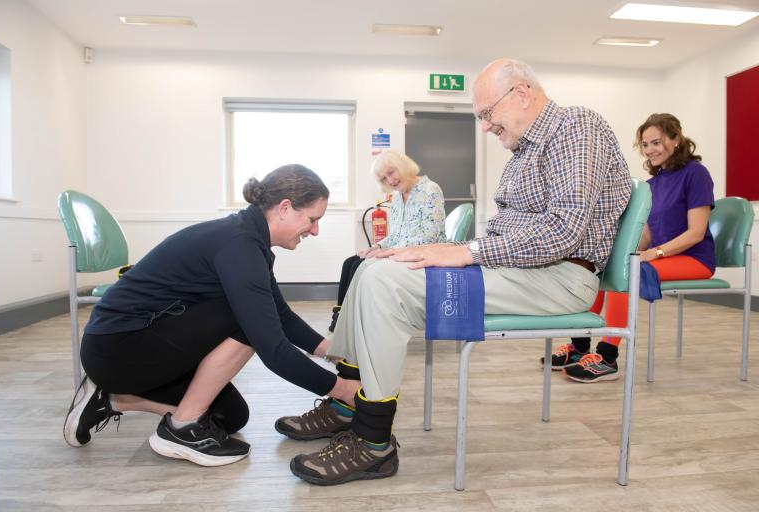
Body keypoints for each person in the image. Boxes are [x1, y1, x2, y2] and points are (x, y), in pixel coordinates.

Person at [274, 58, 632, 486]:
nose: (484, 127)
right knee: (372, 268)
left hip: (560, 278)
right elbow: (509, 236)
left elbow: (563, 232)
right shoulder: (524, 151)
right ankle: (348, 400)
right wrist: (443, 249)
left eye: (486, 114)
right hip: (527, 270)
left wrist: (468, 252)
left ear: (520, 94)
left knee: (384, 284)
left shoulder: (576, 128)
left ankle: (373, 442)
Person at [63, 164, 360, 467]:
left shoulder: (249, 240)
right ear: (285, 208)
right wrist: (346, 391)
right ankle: (181, 427)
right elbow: (273, 349)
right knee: (247, 317)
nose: (315, 230)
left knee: (230, 417)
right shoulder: (239, 245)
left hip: (136, 346)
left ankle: (109, 399)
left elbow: (280, 314)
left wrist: (332, 352)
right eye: (312, 219)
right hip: (117, 348)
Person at [549, 113, 715, 383]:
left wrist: (652, 254)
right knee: (606, 269)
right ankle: (580, 348)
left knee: (629, 273)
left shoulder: (696, 174)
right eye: (645, 144)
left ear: (675, 140)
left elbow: (696, 233)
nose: (650, 150)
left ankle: (607, 357)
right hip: (660, 256)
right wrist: (620, 256)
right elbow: (647, 232)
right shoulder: (653, 183)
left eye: (656, 142)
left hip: (694, 259)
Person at [330, 149, 447, 331]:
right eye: (384, 179)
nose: (390, 181)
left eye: (391, 173)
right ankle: (341, 316)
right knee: (350, 263)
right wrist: (376, 247)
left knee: (360, 267)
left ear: (402, 166)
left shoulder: (430, 190)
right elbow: (396, 234)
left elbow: (429, 235)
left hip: (424, 255)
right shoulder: (397, 197)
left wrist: (388, 252)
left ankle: (349, 320)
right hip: (402, 251)